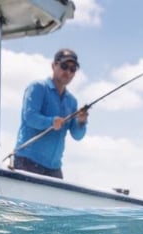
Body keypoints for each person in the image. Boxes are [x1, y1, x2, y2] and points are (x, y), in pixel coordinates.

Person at [13, 48, 88, 178]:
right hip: (28, 161)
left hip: (54, 168)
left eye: (72, 69)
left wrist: (81, 122)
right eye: (64, 66)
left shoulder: (72, 101)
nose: (68, 72)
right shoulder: (37, 87)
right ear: (54, 65)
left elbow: (77, 135)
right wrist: (51, 122)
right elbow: (29, 117)